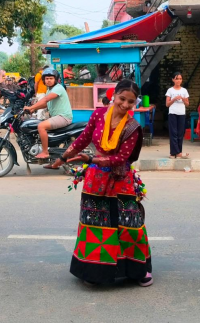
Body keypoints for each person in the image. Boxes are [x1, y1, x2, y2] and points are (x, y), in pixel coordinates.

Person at [51, 79, 153, 287]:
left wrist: (90, 160)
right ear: (114, 95)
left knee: (128, 225)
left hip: (120, 180)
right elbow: (83, 138)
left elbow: (121, 159)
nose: (125, 105)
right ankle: (96, 271)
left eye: (131, 102)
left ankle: (138, 270)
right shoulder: (98, 115)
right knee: (95, 224)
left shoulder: (133, 127)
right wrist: (63, 157)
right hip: (96, 179)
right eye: (122, 99)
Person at [24, 68, 73, 160]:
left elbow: (45, 100)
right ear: (43, 80)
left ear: (55, 79)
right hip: (57, 117)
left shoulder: (58, 88)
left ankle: (45, 152)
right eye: (47, 78)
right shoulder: (49, 90)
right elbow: (46, 104)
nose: (49, 80)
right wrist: (33, 109)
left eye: (51, 78)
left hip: (63, 117)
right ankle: (53, 158)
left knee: (41, 126)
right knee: (38, 123)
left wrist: (31, 107)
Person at [166, 72, 189, 159]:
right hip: (172, 113)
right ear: (173, 80)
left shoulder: (184, 91)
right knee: (173, 133)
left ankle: (179, 152)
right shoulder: (170, 90)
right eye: (176, 78)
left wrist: (182, 98)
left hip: (181, 113)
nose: (178, 80)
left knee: (180, 133)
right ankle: (173, 153)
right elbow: (167, 104)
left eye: (180, 79)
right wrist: (174, 99)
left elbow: (187, 104)